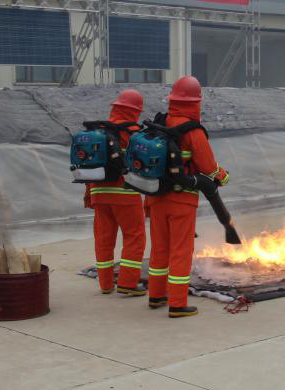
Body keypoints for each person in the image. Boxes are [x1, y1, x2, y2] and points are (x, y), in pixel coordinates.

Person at [147, 76, 230, 318]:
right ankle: (177, 304)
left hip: (156, 197)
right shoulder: (192, 130)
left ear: (173, 99)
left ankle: (156, 296)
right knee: (181, 251)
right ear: (196, 103)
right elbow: (207, 166)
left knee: (159, 248)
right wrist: (223, 176)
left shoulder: (160, 123)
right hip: (182, 200)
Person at [86, 88, 147, 296]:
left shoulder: (98, 132)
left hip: (98, 192)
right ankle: (128, 283)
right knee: (134, 237)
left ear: (116, 107)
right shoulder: (133, 133)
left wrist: (89, 194)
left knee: (104, 239)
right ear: (135, 111)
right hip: (125, 193)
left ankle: (105, 284)